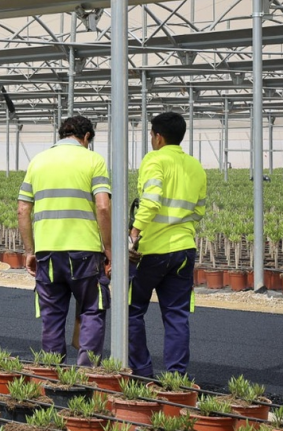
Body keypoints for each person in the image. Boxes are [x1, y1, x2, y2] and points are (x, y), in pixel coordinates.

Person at [17, 115, 112, 366]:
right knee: (92, 309)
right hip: (85, 251)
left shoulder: (38, 161)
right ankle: (87, 373)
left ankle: (52, 373)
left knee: (52, 315)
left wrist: (30, 251)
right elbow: (102, 207)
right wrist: (109, 248)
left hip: (47, 252)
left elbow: (22, 209)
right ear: (87, 137)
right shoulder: (93, 159)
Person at [128, 112, 207, 377]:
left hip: (153, 251)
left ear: (158, 137)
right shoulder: (195, 166)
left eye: (151, 135)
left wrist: (134, 234)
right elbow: (199, 211)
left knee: (131, 310)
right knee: (176, 315)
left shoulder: (154, 160)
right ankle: (176, 379)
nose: (151, 139)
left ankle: (142, 372)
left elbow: (150, 201)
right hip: (184, 249)